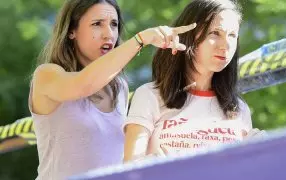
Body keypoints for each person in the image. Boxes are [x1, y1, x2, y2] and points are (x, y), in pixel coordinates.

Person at [29, 0, 196, 179]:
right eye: (97, 24)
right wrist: (141, 39)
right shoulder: (46, 75)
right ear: (71, 31)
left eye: (114, 24)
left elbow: (115, 156)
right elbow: (84, 84)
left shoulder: (119, 87)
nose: (109, 34)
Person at [124, 0, 265, 162]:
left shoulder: (239, 109)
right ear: (189, 35)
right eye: (215, 33)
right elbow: (129, 168)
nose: (225, 45)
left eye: (232, 35)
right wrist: (159, 168)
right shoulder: (149, 96)